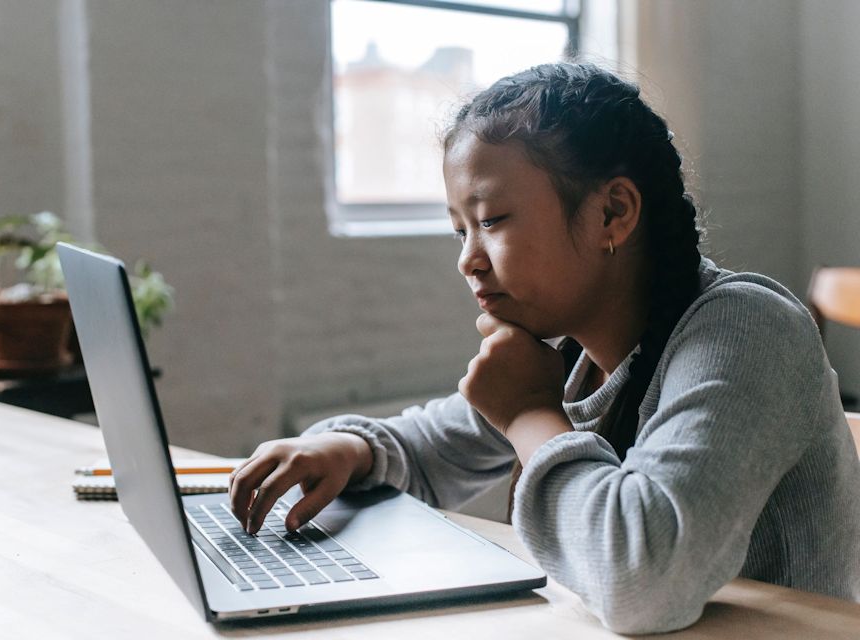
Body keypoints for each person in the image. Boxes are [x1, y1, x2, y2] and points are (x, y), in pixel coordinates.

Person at [228, 62, 860, 634]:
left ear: (613, 212)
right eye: (460, 230)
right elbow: (428, 452)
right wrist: (345, 448)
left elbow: (643, 577)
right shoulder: (581, 353)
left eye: (493, 221)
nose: (468, 260)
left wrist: (531, 416)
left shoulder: (746, 330)